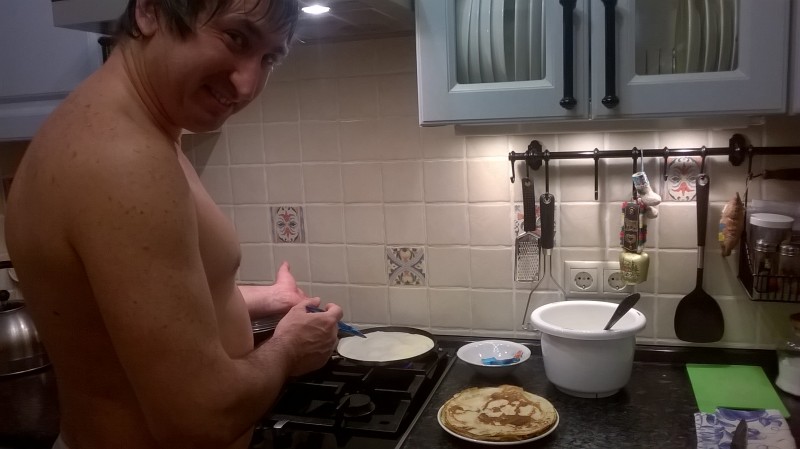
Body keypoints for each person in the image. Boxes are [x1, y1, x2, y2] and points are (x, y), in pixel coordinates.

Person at [4, 0, 344, 448]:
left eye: (269, 59)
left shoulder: (142, 128)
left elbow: (138, 311)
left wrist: (267, 299)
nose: (247, 85)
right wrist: (289, 349)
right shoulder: (123, 157)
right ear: (150, 11)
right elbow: (201, 416)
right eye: (236, 37)